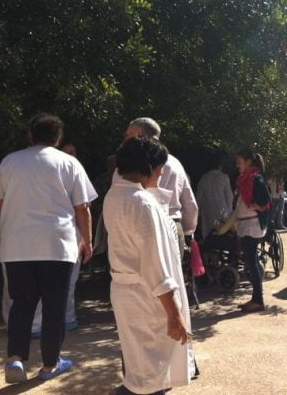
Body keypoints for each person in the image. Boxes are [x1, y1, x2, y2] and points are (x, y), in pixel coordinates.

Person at [0, 114, 96, 383]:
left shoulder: (10, 162)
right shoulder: (68, 163)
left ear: (30, 135)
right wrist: (88, 241)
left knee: (21, 304)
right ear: (58, 138)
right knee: (54, 306)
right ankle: (50, 365)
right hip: (57, 245)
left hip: (17, 245)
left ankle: (15, 359)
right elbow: (83, 207)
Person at [104, 137, 195, 395]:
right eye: (160, 166)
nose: (163, 172)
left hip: (128, 292)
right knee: (150, 374)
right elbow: (155, 265)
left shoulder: (115, 195)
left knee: (140, 368)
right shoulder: (141, 203)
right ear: (147, 167)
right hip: (147, 297)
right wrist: (174, 314)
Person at [117, 118, 198, 259]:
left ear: (139, 134)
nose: (125, 139)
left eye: (128, 135)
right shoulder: (175, 163)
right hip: (173, 225)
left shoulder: (128, 164)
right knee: (171, 277)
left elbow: (118, 196)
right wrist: (187, 230)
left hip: (136, 227)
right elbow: (190, 204)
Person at [234, 149, 271, 312]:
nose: (237, 165)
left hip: (252, 225)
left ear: (248, 162)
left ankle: (258, 300)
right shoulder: (245, 179)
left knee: (251, 261)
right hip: (245, 224)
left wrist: (259, 206)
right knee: (250, 261)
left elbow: (266, 200)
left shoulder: (256, 178)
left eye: (239, 161)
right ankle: (256, 298)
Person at [196, 152, 233, 240]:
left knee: (208, 237)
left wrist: (198, 216)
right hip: (221, 213)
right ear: (220, 165)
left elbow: (199, 198)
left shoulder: (204, 177)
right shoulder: (224, 178)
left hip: (207, 213)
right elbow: (229, 197)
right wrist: (228, 213)